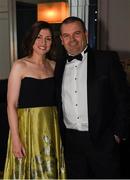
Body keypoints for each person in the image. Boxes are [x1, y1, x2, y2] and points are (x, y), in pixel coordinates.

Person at [55, 16, 130, 179]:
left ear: (86, 34)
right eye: (66, 36)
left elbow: (123, 98)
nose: (72, 40)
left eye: (76, 34)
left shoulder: (107, 59)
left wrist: (117, 133)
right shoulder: (58, 65)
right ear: (61, 40)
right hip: (71, 141)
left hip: (103, 140)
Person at [3, 21, 66, 179]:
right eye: (39, 37)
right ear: (31, 38)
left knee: (49, 170)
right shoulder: (20, 66)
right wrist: (16, 139)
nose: (43, 43)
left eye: (48, 38)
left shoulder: (54, 66)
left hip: (51, 127)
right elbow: (11, 105)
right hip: (27, 128)